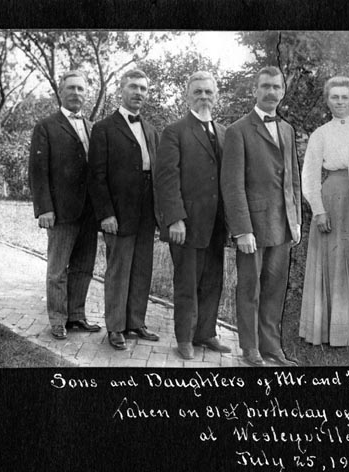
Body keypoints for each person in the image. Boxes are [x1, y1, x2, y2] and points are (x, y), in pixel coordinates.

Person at [220, 66, 302, 367]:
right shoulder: (238, 130)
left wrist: (295, 221)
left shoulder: (288, 130)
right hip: (253, 226)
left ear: (283, 91)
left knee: (275, 288)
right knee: (251, 287)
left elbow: (292, 178)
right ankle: (250, 347)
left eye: (276, 87)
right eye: (265, 86)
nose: (271, 92)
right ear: (255, 90)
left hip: (282, 224)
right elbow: (232, 184)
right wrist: (242, 230)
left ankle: (271, 347)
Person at [154, 71, 231, 361]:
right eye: (197, 92)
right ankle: (184, 338)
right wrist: (175, 218)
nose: (203, 97)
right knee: (187, 283)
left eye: (208, 92)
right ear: (187, 96)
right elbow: (166, 179)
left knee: (213, 280)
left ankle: (206, 333)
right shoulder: (174, 131)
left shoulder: (225, 133)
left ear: (216, 96)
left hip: (216, 224)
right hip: (186, 224)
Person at [89, 69, 159, 351]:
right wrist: (106, 213)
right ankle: (115, 327)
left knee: (142, 267)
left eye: (143, 88)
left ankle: (135, 322)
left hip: (147, 210)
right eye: (133, 86)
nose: (138, 92)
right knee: (118, 269)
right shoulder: (104, 128)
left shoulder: (152, 130)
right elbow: (96, 175)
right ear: (121, 88)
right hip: (118, 211)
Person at [28, 70, 99, 340]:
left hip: (89, 212)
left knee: (84, 267)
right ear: (61, 91)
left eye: (81, 89)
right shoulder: (46, 126)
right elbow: (37, 169)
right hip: (60, 211)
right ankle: (57, 320)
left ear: (86, 93)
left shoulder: (93, 127)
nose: (76, 93)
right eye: (71, 88)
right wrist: (44, 208)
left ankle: (76, 317)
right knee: (58, 270)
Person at [299, 76, 349, 347]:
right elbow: (309, 176)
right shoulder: (320, 134)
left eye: (344, 97)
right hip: (332, 197)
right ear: (328, 101)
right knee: (332, 259)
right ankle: (330, 331)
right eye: (335, 97)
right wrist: (318, 210)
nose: (340, 102)